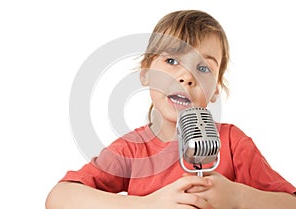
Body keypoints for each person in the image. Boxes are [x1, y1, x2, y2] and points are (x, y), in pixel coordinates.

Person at [45, 10, 296, 209]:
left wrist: (239, 198)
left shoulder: (233, 144)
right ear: (146, 74)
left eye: (203, 68)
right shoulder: (132, 149)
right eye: (172, 60)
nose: (186, 76)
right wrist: (146, 205)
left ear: (216, 89)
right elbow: (59, 197)